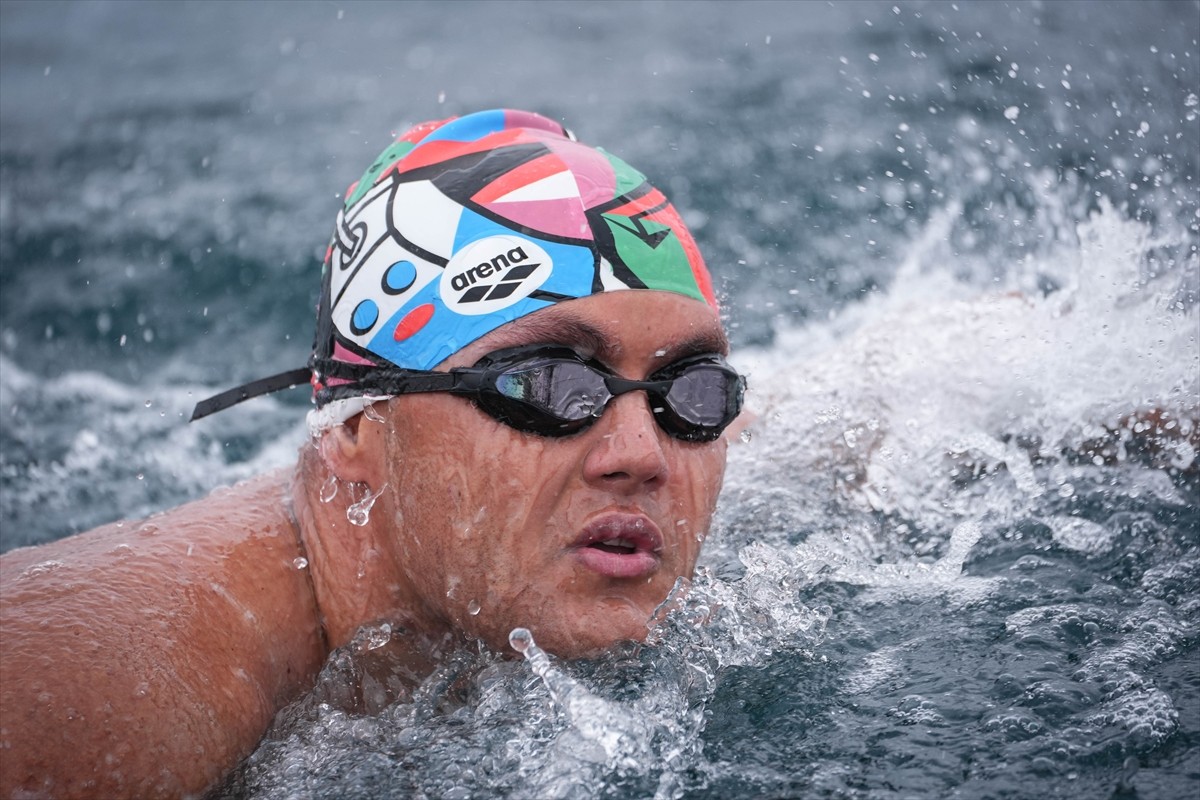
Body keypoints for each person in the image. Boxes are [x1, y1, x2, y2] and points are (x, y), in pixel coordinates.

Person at [0, 109, 745, 798]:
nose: (642, 454)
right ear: (355, 429)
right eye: (548, 383)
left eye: (692, 390)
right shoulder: (113, 690)